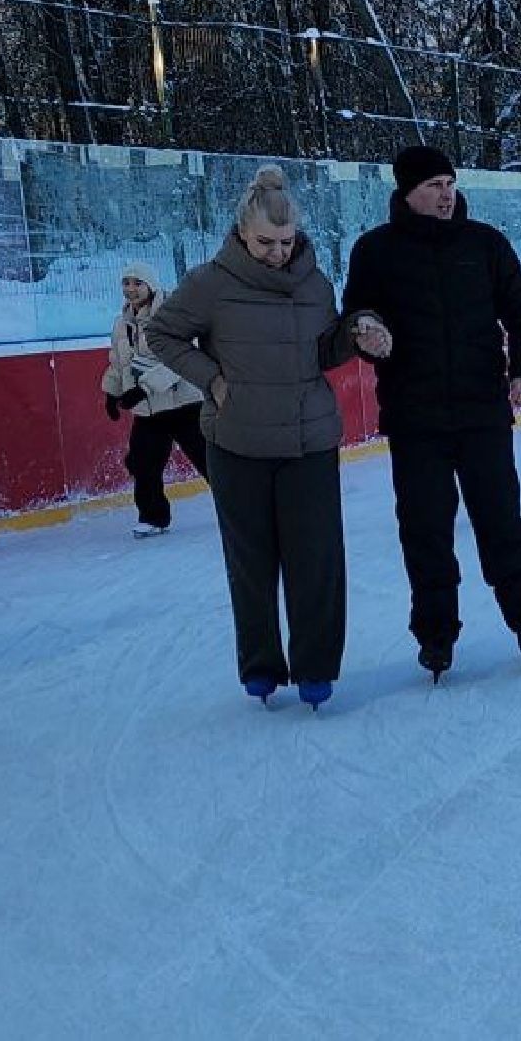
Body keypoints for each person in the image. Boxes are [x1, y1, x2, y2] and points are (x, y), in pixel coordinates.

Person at [149, 166, 389, 710]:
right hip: (237, 444)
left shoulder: (314, 281)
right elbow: (161, 332)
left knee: (317, 561)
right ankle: (260, 664)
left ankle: (316, 668)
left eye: (285, 242)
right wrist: (209, 377)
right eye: (265, 243)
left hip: (309, 442)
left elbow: (323, 351)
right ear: (241, 234)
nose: (277, 253)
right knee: (252, 564)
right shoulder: (211, 282)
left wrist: (356, 335)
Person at [341, 145, 521, 681]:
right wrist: (368, 331)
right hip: (415, 419)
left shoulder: (484, 244)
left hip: (482, 411)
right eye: (433, 185)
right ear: (407, 192)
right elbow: (356, 314)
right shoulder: (375, 251)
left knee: (501, 521)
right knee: (425, 529)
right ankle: (435, 635)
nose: (445, 194)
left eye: (450, 183)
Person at [102, 261, 207, 538]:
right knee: (141, 462)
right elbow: (118, 362)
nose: (131, 289)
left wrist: (145, 387)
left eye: (138, 283)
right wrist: (111, 393)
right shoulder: (121, 323)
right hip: (148, 411)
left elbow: (181, 358)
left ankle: (244, 507)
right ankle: (153, 517)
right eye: (126, 283)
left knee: (210, 461)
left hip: (184, 404)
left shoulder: (172, 315)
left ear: (151, 285)